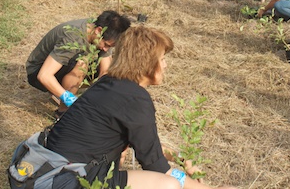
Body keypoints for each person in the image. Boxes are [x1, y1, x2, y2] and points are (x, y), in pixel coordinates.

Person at [36, 26, 237, 189]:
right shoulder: (136, 100)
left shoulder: (109, 84)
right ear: (147, 63)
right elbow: (158, 167)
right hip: (65, 181)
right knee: (169, 185)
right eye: (162, 59)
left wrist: (183, 159)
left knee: (121, 154)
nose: (165, 66)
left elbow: (148, 146)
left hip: (46, 171)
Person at [25, 11, 131, 118]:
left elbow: (105, 72)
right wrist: (72, 101)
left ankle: (61, 91)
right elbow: (44, 76)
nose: (105, 49)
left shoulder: (102, 32)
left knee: (110, 70)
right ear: (98, 30)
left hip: (59, 68)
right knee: (82, 64)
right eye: (106, 45)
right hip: (38, 71)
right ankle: (63, 112)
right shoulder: (73, 37)